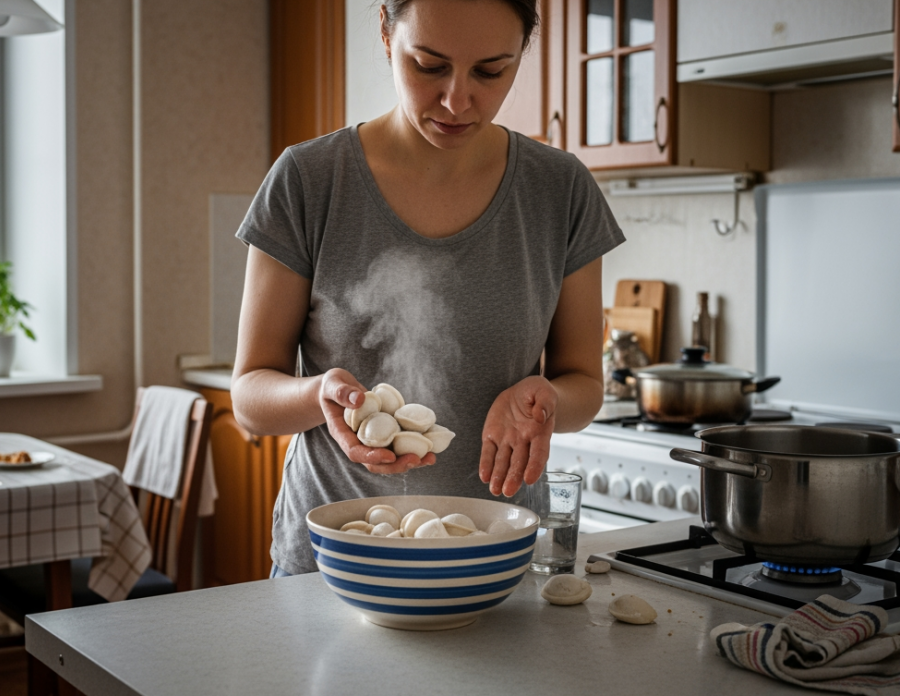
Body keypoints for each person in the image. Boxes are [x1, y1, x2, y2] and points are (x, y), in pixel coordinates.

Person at [231, 0, 625, 577]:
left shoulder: (559, 189)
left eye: (492, 71)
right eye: (429, 65)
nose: (457, 100)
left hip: (497, 554)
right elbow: (249, 399)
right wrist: (318, 396)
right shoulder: (308, 181)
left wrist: (546, 401)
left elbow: (584, 384)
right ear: (388, 35)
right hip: (336, 559)